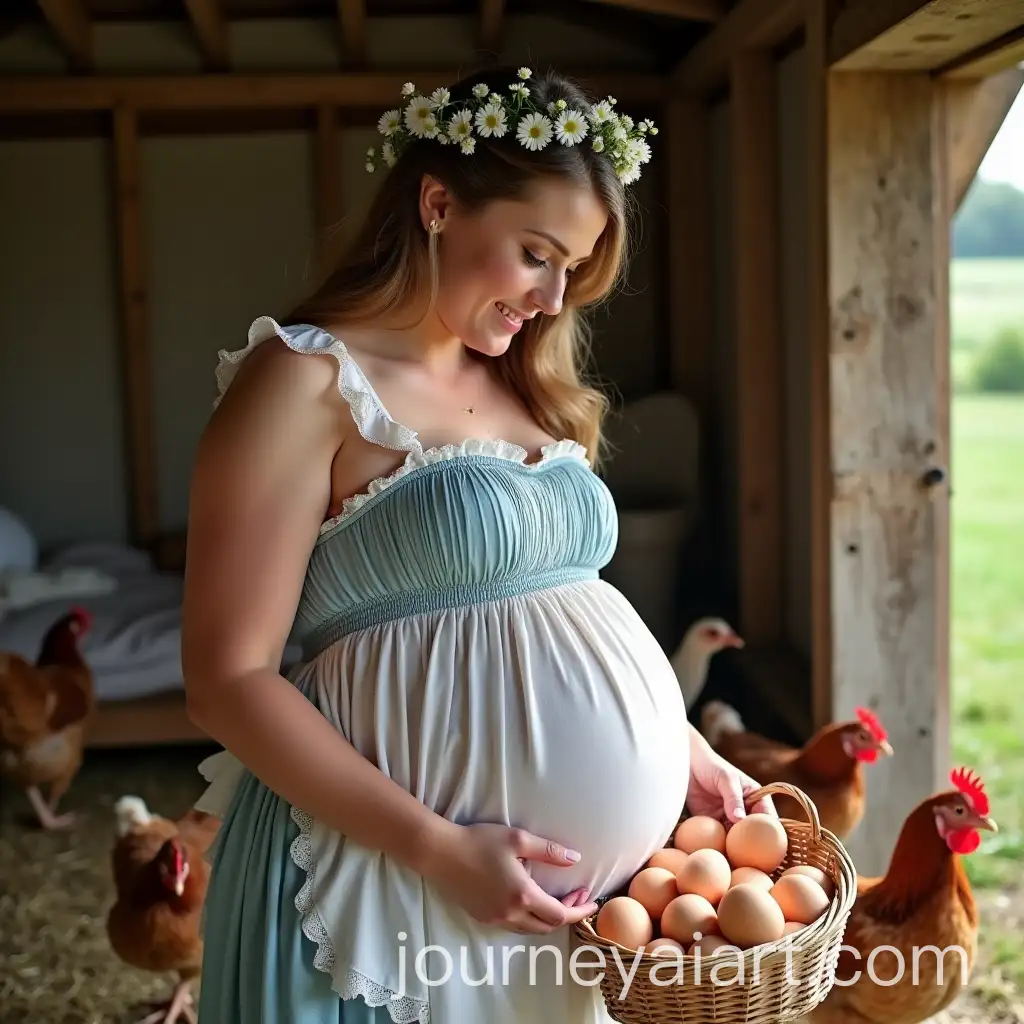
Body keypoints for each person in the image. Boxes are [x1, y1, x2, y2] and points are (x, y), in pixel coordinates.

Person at [182, 65, 775, 1024]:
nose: (551, 298)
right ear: (438, 201)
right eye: (537, 253)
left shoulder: (530, 389)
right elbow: (226, 678)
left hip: (559, 926)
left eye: (574, 271)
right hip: (392, 885)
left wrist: (679, 749)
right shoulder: (301, 382)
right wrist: (433, 848)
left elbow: (556, 618)